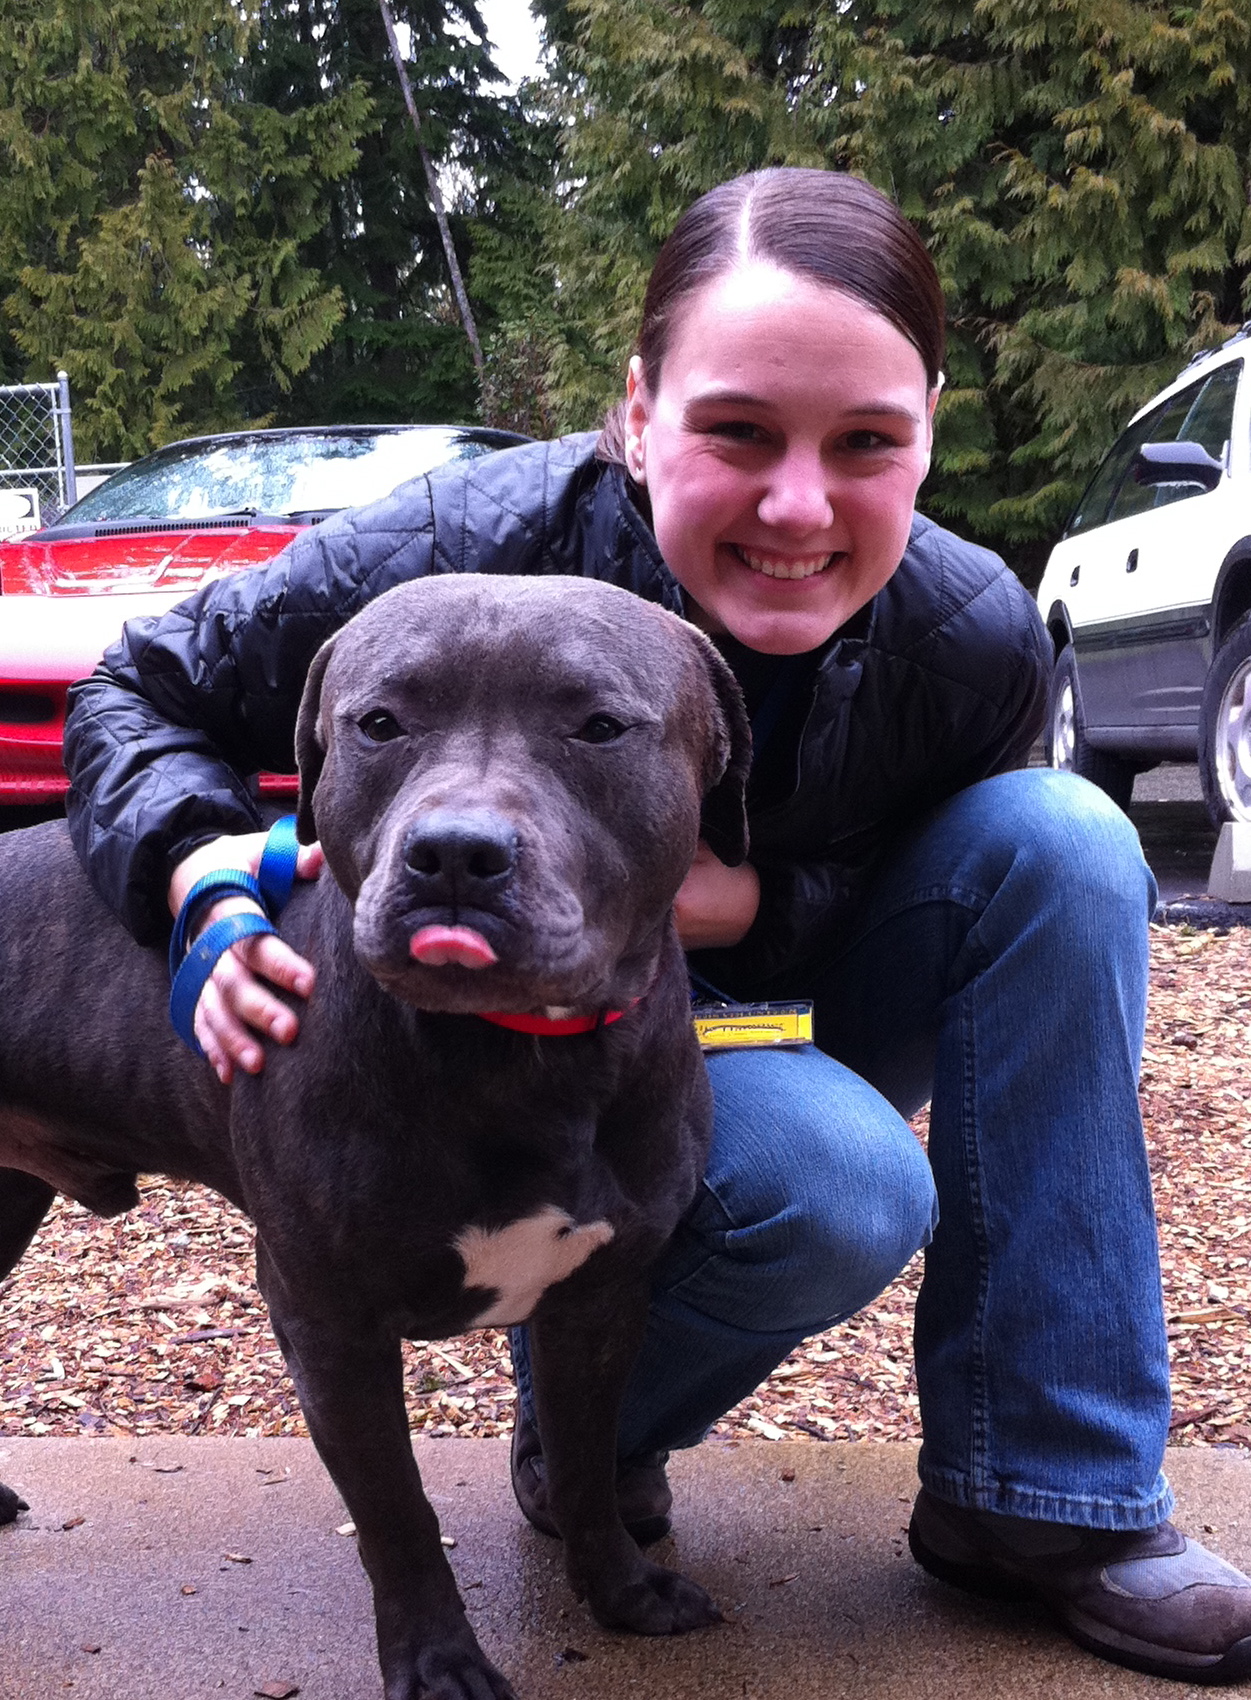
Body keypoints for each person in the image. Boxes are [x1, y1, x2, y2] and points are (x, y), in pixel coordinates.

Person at [63, 167, 1251, 1683]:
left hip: (739, 1017)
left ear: (929, 434)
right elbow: (135, 689)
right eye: (736, 430)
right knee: (833, 1183)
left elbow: (940, 886)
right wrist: (189, 873)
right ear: (638, 413)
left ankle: (1042, 1497)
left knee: (1065, 841)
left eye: (867, 442)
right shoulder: (443, 551)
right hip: (484, 1051)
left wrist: (758, 898)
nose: (799, 505)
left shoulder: (971, 638)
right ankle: (590, 1442)